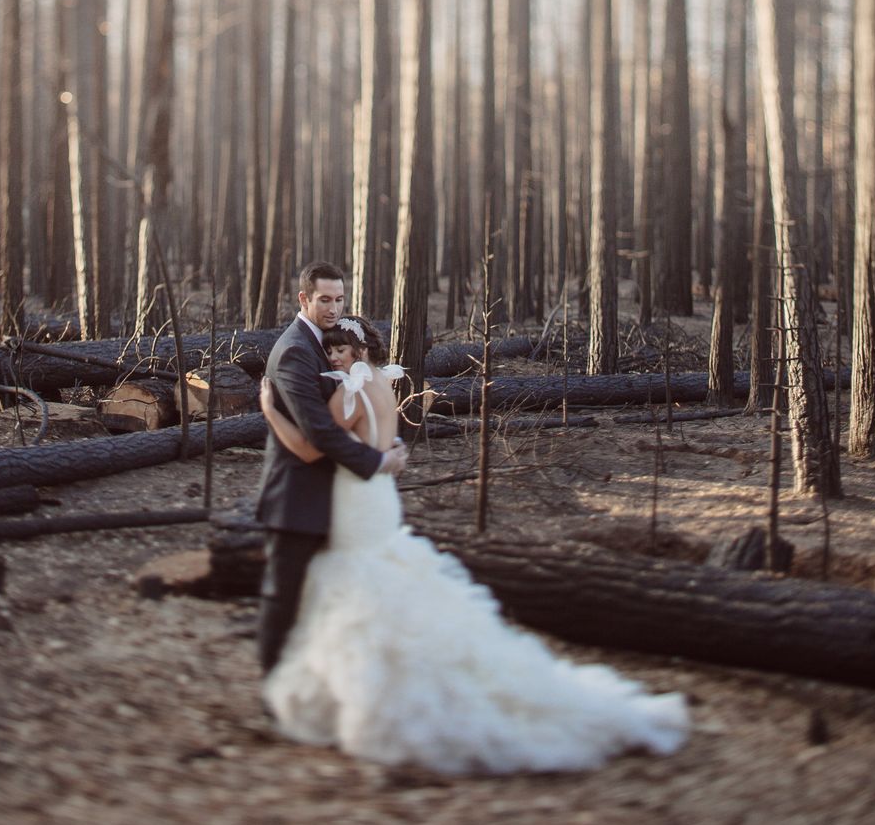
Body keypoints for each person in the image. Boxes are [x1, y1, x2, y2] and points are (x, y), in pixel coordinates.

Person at [259, 313, 690, 775]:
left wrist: (270, 412)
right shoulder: (384, 383)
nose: (332, 358)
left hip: (357, 495)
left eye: (338, 350)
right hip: (377, 494)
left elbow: (312, 447)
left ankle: (383, 691)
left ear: (358, 351)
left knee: (364, 583)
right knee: (379, 578)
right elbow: (385, 444)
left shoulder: (352, 387)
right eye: (329, 351)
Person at [255, 262, 407, 676]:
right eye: (325, 299)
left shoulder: (334, 355)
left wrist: (383, 449)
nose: (334, 308)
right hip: (298, 496)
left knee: (331, 597)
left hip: (341, 495)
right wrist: (378, 459)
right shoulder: (294, 351)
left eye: (340, 299)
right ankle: (275, 686)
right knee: (284, 596)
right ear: (304, 299)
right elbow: (318, 434)